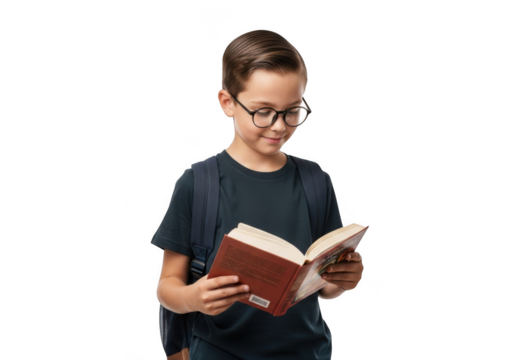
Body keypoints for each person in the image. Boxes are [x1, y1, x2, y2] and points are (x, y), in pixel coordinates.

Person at [152, 29, 365, 360]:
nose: (279, 126)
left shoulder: (316, 182)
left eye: (292, 110)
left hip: (308, 353)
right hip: (219, 353)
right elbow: (167, 286)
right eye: (263, 112)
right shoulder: (199, 183)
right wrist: (193, 298)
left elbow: (324, 287)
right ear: (227, 103)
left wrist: (342, 280)